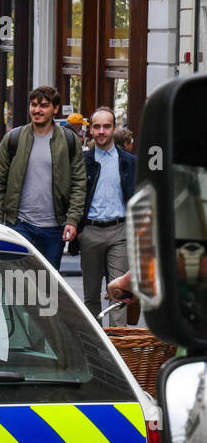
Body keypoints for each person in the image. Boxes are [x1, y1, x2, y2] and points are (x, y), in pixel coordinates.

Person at [0, 85, 86, 269]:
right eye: (33, 105)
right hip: (19, 225)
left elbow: (79, 183)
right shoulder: (14, 138)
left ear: (55, 109)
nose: (37, 110)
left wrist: (72, 219)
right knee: (15, 283)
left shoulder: (69, 141)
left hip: (54, 229)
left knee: (46, 288)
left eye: (44, 105)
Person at [78, 105, 137, 322]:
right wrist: (77, 229)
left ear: (114, 128)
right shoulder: (83, 162)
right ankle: (97, 349)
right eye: (97, 127)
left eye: (106, 126)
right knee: (91, 295)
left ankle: (118, 348)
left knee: (119, 293)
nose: (102, 131)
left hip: (119, 230)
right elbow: (73, 196)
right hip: (90, 232)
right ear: (91, 130)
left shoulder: (129, 161)